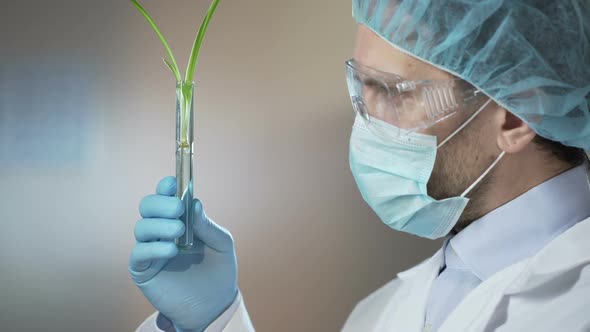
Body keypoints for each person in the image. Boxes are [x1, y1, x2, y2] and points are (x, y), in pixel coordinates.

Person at [130, 1, 590, 331]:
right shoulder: (381, 313)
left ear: (516, 116)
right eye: (361, 86)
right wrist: (214, 320)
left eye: (394, 91)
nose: (365, 119)